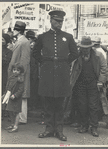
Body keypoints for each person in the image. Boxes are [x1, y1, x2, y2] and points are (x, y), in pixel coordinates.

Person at [33, 10, 78, 141]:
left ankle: (59, 130)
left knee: (59, 103)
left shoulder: (68, 37)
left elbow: (75, 53)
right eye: (57, 21)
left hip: (62, 74)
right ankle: (48, 129)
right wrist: (46, 62)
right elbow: (35, 53)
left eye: (61, 21)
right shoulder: (43, 37)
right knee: (47, 102)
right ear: (51, 21)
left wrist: (64, 63)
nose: (59, 23)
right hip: (47, 73)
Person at [70, 36, 107, 137]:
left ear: (91, 47)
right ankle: (84, 125)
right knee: (82, 105)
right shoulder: (77, 55)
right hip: (80, 84)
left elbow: (104, 68)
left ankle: (94, 127)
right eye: (83, 48)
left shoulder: (98, 55)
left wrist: (100, 81)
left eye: (86, 48)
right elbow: (72, 68)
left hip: (93, 84)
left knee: (93, 106)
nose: (84, 50)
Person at [8, 21, 31, 124]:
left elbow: (25, 60)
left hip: (20, 72)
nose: (13, 31)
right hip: (17, 72)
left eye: (14, 29)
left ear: (18, 31)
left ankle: (22, 118)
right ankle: (19, 117)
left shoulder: (24, 42)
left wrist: (21, 73)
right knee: (19, 93)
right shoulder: (20, 41)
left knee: (21, 93)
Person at [2, 63, 24, 133]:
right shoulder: (11, 77)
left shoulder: (20, 79)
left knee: (16, 112)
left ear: (20, 71)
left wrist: (15, 95)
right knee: (10, 111)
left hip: (16, 98)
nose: (15, 71)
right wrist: (5, 94)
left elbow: (21, 90)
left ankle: (16, 126)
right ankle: (12, 124)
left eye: (18, 70)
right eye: (14, 70)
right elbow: (8, 87)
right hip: (9, 96)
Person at [26, 30, 39, 111]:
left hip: (34, 72)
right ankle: (30, 105)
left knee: (33, 88)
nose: (31, 43)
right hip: (30, 71)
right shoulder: (27, 49)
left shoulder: (34, 51)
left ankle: (32, 105)